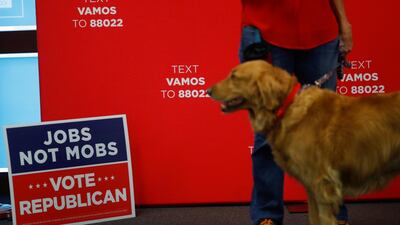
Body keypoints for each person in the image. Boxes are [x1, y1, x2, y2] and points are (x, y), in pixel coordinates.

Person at [238, 1, 353, 225]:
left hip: (321, 33)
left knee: (326, 132)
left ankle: (333, 214)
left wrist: (344, 23)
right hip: (266, 33)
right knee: (269, 132)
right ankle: (267, 215)